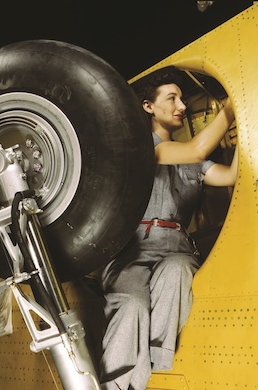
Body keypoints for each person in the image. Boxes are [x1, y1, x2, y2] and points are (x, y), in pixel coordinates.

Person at [98, 67, 238, 390]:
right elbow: (198, 149)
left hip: (176, 248)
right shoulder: (142, 149)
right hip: (132, 252)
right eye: (171, 98)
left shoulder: (193, 163)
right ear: (149, 106)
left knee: (177, 271)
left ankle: (157, 377)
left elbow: (230, 175)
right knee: (131, 305)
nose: (182, 106)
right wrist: (229, 109)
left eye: (182, 99)